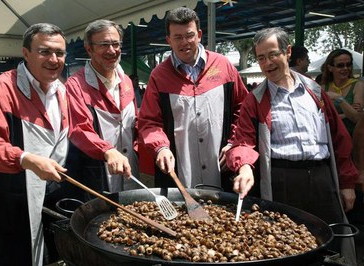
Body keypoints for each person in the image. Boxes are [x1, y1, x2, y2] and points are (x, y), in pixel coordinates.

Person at [226, 27, 358, 265]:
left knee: (332, 245)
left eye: (273, 54)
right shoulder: (255, 99)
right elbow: (243, 140)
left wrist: (347, 182)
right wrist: (244, 166)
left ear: (287, 52)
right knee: (285, 245)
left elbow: (340, 140)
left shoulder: (315, 92)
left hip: (322, 180)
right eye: (261, 58)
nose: (267, 63)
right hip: (282, 181)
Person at [0, 23, 69, 266]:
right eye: (44, 51)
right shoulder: (2, 88)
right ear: (26, 53)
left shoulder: (62, 90)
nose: (54, 59)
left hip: (45, 196)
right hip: (6, 197)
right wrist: (25, 159)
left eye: (60, 53)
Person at [138, 7, 248, 190]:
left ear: (199, 35)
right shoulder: (159, 76)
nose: (184, 42)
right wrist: (161, 147)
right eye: (177, 37)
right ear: (168, 40)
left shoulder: (223, 66)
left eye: (189, 35)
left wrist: (233, 142)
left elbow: (243, 108)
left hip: (222, 167)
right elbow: (148, 121)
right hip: (178, 172)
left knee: (224, 216)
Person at [65, 19, 139, 199]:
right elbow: (79, 129)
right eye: (104, 45)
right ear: (89, 48)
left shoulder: (126, 81)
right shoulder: (75, 85)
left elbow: (134, 123)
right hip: (96, 174)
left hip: (130, 170)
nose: (112, 50)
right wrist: (108, 150)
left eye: (116, 44)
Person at [321, 48, 364, 136]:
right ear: (330, 68)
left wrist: (338, 98)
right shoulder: (323, 87)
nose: (345, 68)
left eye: (348, 65)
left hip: (352, 139)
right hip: (330, 138)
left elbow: (357, 118)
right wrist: (346, 113)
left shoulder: (358, 85)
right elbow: (321, 117)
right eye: (340, 65)